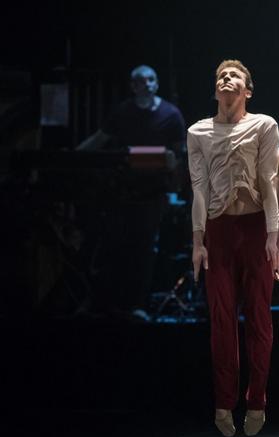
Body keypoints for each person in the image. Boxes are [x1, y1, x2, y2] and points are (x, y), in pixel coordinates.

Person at [187, 59, 279, 437]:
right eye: (221, 77)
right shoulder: (198, 131)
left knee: (259, 316)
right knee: (222, 318)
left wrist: (273, 235)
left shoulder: (263, 125)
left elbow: (268, 181)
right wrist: (198, 241)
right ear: (215, 90)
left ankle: (257, 399)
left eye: (234, 76)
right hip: (220, 228)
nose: (226, 79)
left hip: (254, 225)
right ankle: (224, 400)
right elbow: (198, 188)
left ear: (248, 90)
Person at [76, 65, 187, 320]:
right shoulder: (123, 112)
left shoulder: (171, 115)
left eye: (151, 79)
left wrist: (175, 184)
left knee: (144, 249)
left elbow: (180, 155)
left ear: (157, 84)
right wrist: (74, 156)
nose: (147, 84)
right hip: (123, 191)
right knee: (115, 246)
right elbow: (99, 139)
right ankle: (107, 303)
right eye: (141, 81)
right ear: (133, 86)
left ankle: (138, 305)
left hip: (154, 192)